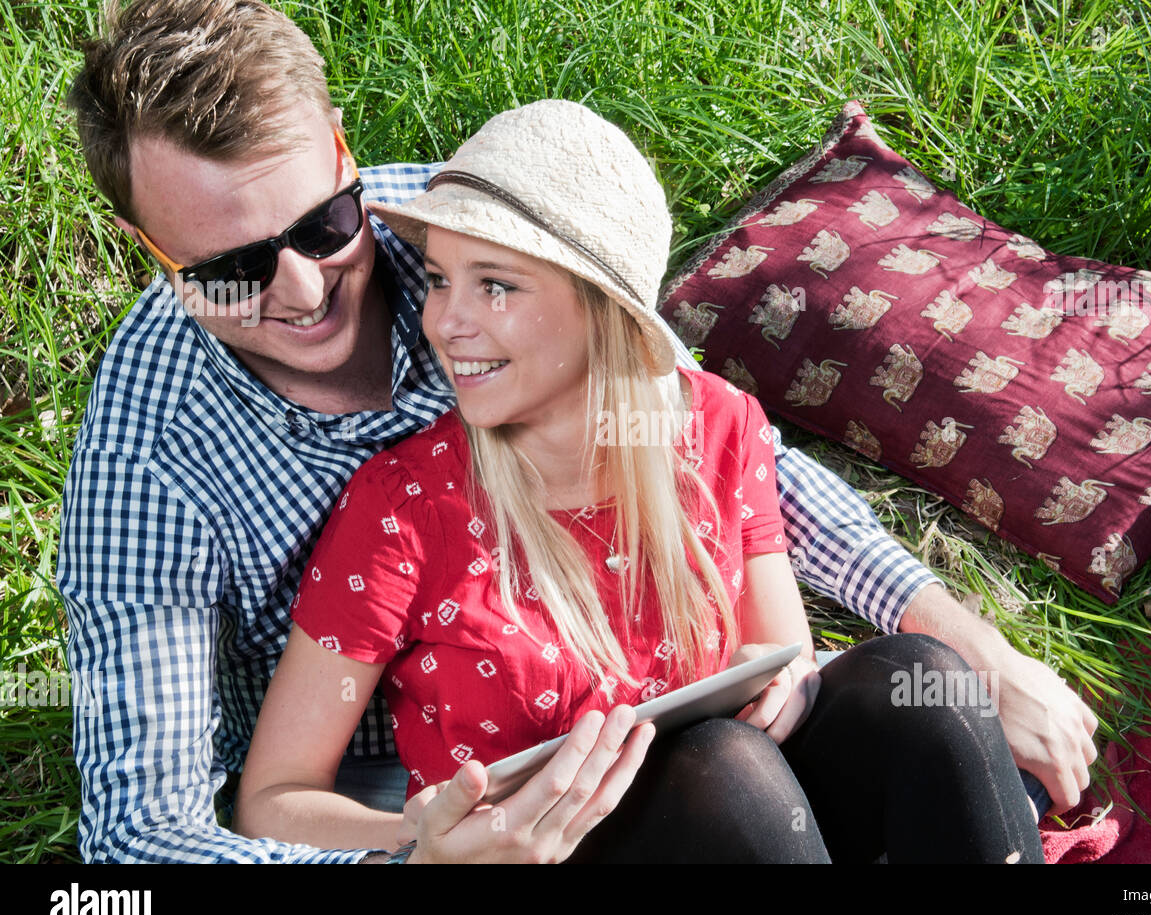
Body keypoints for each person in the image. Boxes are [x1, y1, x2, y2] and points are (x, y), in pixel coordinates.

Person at [57, 0, 1096, 863]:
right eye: (232, 271)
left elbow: (728, 459)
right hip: (403, 787)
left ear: (341, 151)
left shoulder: (464, 224)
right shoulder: (151, 463)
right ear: (146, 247)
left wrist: (966, 644)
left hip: (652, 687)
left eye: (324, 226)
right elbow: (142, 837)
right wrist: (412, 857)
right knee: (724, 782)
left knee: (908, 702)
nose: (304, 290)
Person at [232, 98, 1046, 862]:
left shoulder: (716, 427)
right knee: (723, 768)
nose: (445, 320)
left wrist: (790, 689)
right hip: (555, 851)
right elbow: (272, 798)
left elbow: (784, 654)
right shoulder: (402, 507)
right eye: (442, 278)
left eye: (496, 286)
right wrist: (419, 836)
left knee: (923, 680)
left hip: (754, 826)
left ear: (602, 309)